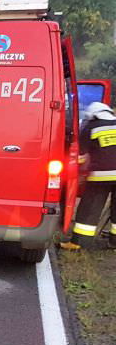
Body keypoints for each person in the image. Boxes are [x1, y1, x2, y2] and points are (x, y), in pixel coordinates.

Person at [62, 101, 116, 250]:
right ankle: (114, 243)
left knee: (90, 208)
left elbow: (80, 155)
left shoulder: (91, 126)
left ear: (92, 115)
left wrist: (76, 173)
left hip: (101, 176)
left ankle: (79, 243)